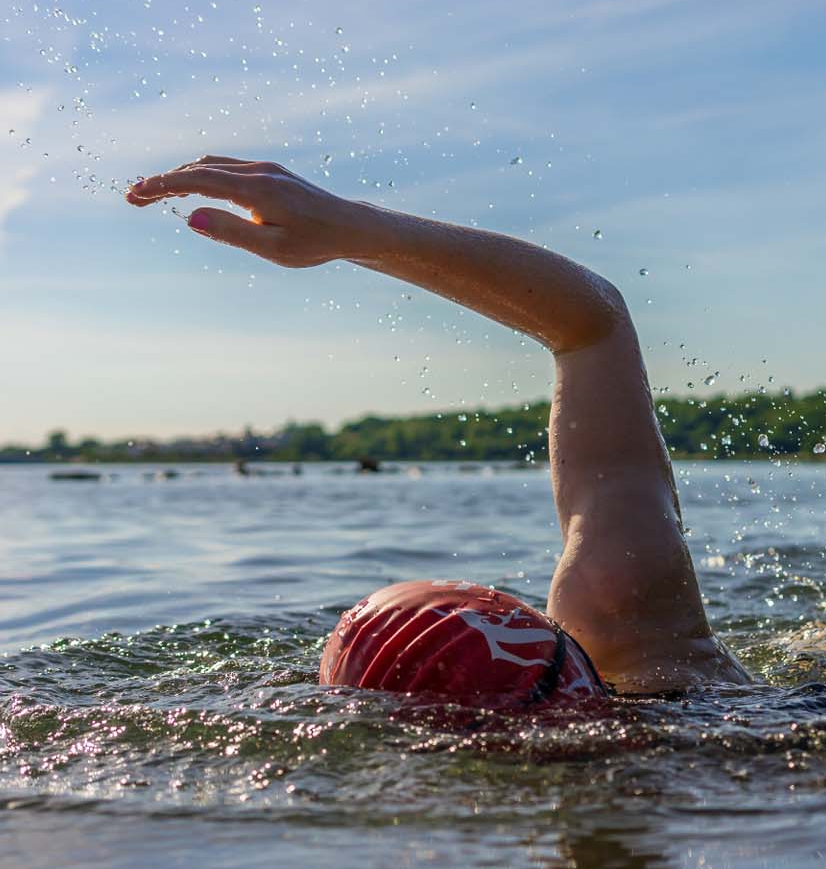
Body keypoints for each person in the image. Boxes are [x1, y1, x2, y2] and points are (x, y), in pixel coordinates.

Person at [126, 157, 752, 701]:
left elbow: (593, 329)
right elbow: (594, 323)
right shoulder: (639, 637)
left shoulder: (641, 649)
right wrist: (352, 228)